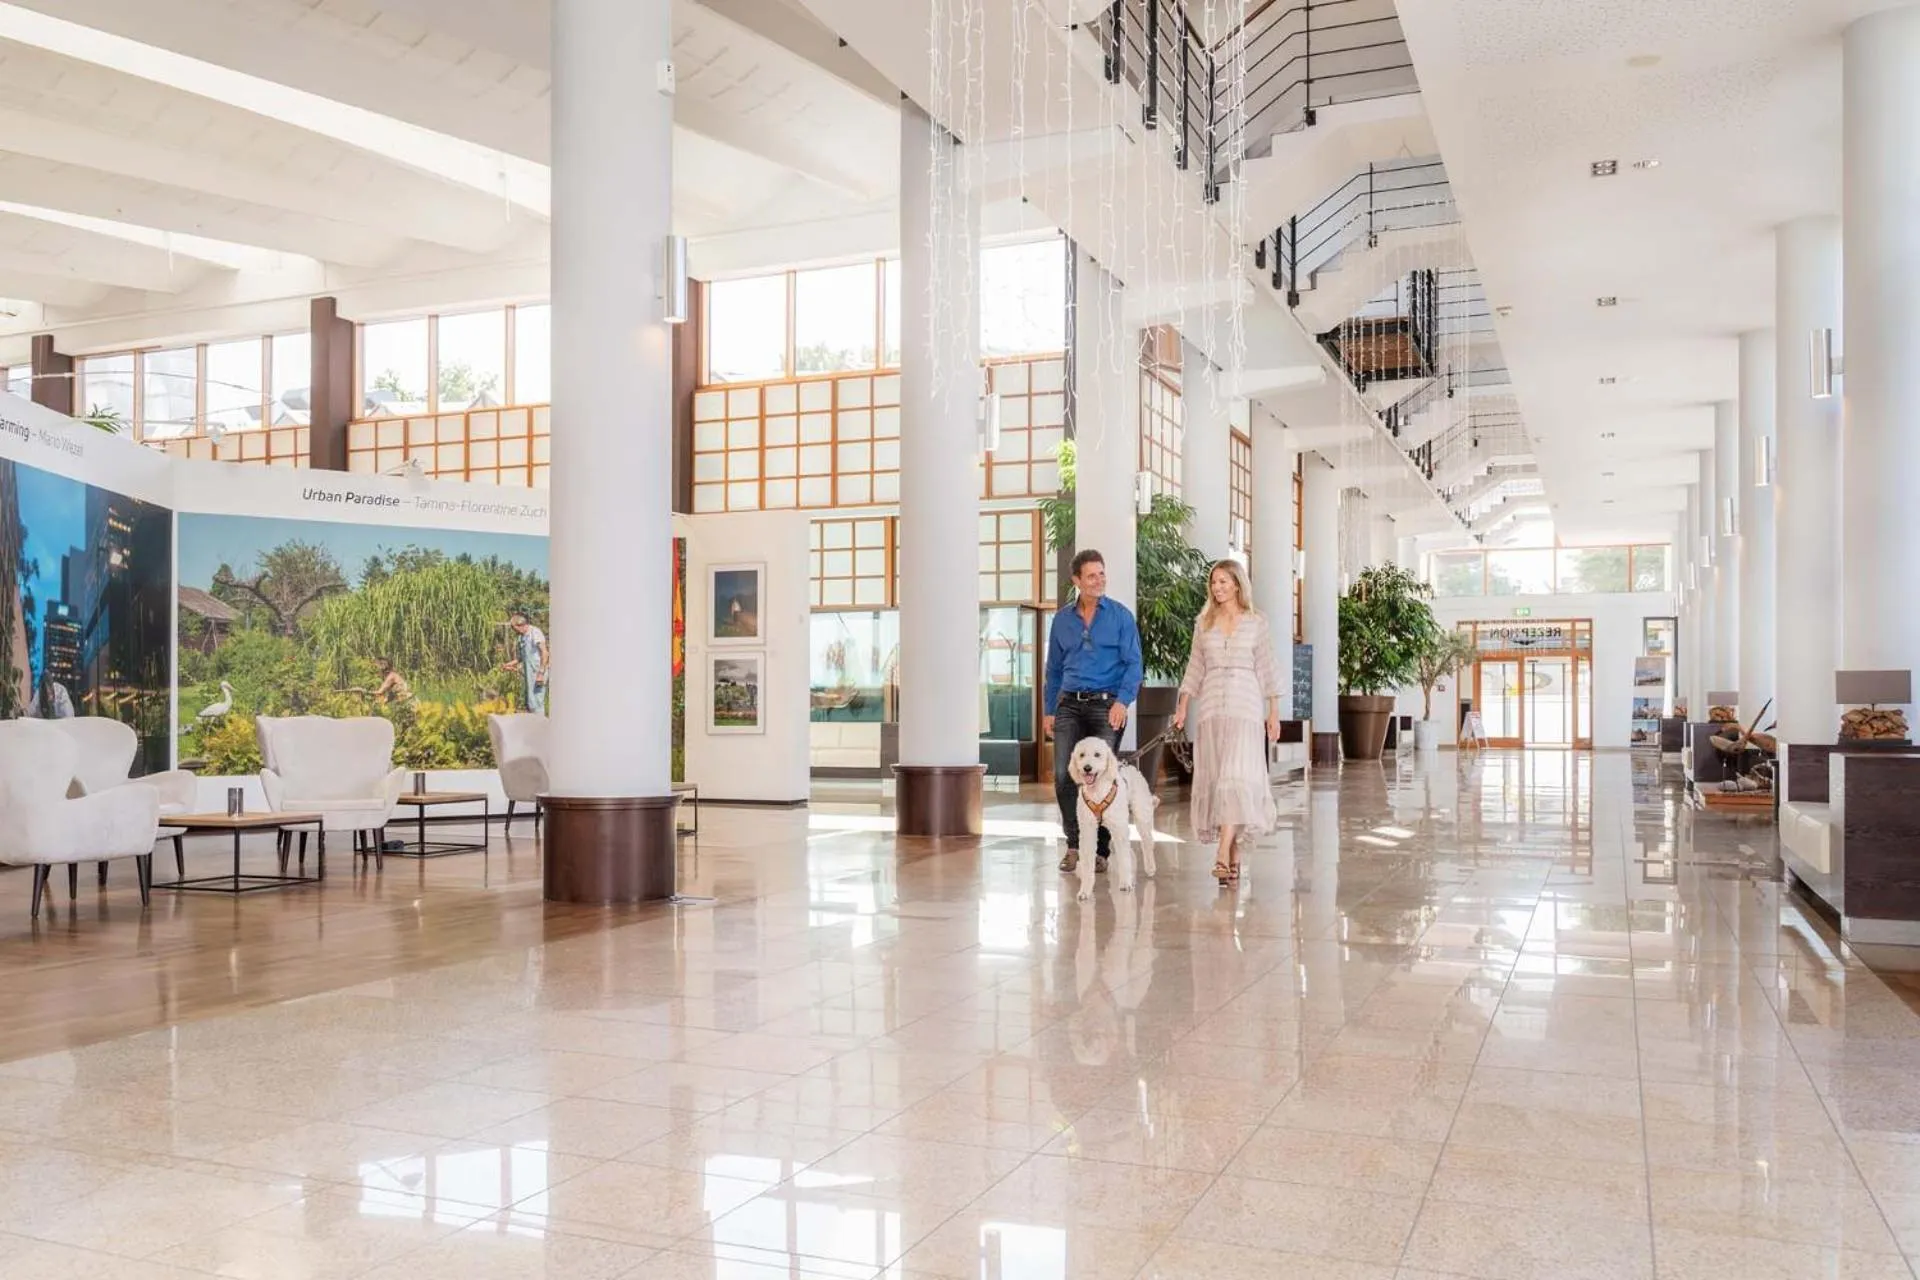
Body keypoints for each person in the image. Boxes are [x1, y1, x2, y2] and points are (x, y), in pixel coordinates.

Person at [1172, 559, 1281, 885]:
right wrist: (1182, 706)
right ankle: (1233, 857)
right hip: (1211, 712)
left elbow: (1268, 668)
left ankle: (1221, 854)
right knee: (1219, 782)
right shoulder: (1203, 623)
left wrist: (1273, 712)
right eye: (1214, 583)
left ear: (1237, 584)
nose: (1218, 588)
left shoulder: (1256, 622)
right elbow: (1194, 667)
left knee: (1236, 780)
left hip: (1246, 709)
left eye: (1223, 582)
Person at [1044, 549, 1143, 875]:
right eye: (1091, 575)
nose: (1099, 580)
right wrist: (1049, 710)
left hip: (1106, 705)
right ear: (1077, 581)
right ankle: (1074, 845)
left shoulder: (1120, 616)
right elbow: (1054, 670)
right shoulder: (1062, 620)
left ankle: (1100, 851)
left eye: (1102, 573)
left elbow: (1133, 665)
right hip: (1068, 704)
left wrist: (1121, 702)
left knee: (1101, 777)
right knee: (1063, 776)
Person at [504, 610, 550, 714]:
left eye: (513, 627)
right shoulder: (521, 637)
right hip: (529, 675)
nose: (513, 630)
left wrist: (541, 673)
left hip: (538, 673)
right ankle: (533, 726)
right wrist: (509, 665)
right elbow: (521, 658)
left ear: (520, 625)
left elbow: (544, 652)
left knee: (537, 703)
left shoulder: (535, 633)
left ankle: (540, 727)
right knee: (530, 703)